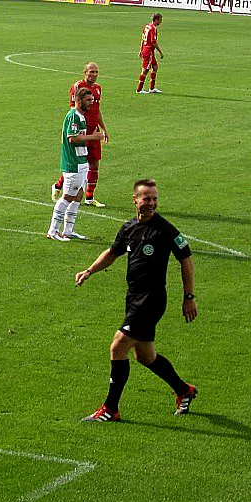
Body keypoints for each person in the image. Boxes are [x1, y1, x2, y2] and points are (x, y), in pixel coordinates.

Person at [75, 178, 198, 422]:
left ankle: (111, 408)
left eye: (154, 199)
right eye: (146, 199)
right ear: (135, 200)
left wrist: (189, 297)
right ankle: (184, 390)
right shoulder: (129, 228)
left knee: (118, 346)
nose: (151, 203)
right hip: (133, 297)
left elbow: (186, 259)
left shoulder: (165, 229)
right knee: (145, 356)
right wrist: (90, 270)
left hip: (151, 300)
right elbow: (113, 253)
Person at [47, 87, 104, 242]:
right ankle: (53, 231)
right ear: (78, 100)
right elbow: (73, 138)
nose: (91, 103)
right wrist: (94, 137)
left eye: (92, 100)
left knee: (78, 196)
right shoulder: (74, 116)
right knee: (67, 197)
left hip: (81, 161)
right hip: (73, 164)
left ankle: (68, 230)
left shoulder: (81, 116)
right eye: (88, 100)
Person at [52, 63, 110, 208]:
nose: (94, 74)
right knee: (78, 165)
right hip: (81, 131)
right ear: (85, 72)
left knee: (94, 163)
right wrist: (73, 130)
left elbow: (97, 110)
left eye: (96, 72)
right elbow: (74, 110)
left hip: (94, 131)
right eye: (91, 71)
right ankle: (59, 185)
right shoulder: (78, 87)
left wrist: (103, 128)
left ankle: (89, 197)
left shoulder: (98, 88)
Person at [136, 12, 164, 94]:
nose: (161, 22)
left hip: (146, 49)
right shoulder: (153, 28)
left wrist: (141, 50)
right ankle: (139, 89)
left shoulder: (147, 26)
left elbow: (142, 39)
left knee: (155, 67)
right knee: (145, 70)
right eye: (160, 20)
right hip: (149, 51)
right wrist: (161, 52)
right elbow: (153, 42)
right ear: (156, 19)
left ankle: (152, 88)